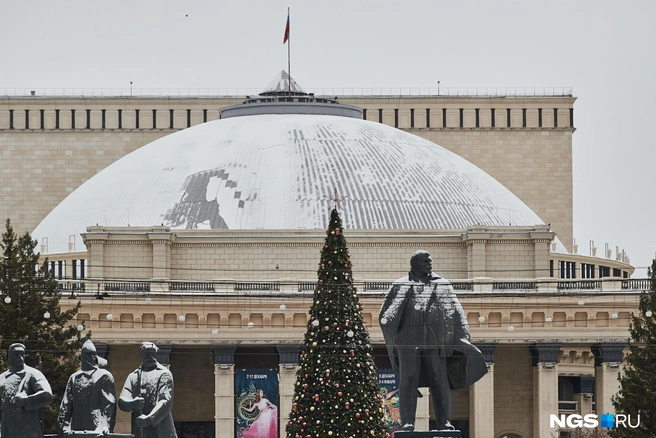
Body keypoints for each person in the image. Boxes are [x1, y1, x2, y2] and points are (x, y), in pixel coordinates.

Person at [379, 250, 487, 431]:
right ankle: (407, 422)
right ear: (415, 264)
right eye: (425, 261)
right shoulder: (400, 286)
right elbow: (386, 316)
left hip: (436, 342)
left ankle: (444, 421)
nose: (430, 264)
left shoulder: (442, 284)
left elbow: (456, 312)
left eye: (430, 261)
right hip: (408, 344)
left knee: (439, 381)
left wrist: (461, 338)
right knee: (408, 382)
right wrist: (395, 339)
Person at [118, 342, 177, 438]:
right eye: (147, 354)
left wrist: (149, 418)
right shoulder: (134, 376)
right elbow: (122, 400)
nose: (150, 357)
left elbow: (165, 401)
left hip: (161, 431)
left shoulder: (164, 374)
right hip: (140, 431)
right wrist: (132, 403)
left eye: (152, 354)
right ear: (142, 355)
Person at [58, 340, 116, 436]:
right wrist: (63, 426)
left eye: (93, 354)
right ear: (82, 356)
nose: (91, 357)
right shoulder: (74, 377)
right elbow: (66, 404)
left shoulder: (103, 376)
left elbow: (108, 405)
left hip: (96, 427)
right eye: (88, 354)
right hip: (77, 428)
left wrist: (105, 426)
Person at [0, 343, 53, 438]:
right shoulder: (2, 378)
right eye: (16, 354)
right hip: (7, 431)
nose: (20, 357)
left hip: (28, 431)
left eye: (22, 354)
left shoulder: (33, 374)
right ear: (9, 356)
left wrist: (26, 401)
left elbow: (47, 395)